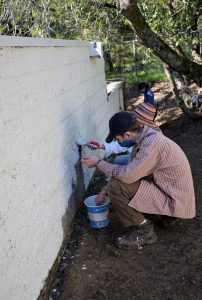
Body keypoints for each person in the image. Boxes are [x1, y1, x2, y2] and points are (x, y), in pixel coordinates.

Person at [81, 111, 195, 250]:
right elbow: (132, 168)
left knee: (116, 187)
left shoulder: (151, 145)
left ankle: (145, 232)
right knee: (120, 170)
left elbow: (128, 176)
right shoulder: (146, 136)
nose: (118, 142)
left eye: (118, 139)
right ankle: (161, 217)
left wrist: (99, 163)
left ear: (128, 134)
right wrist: (103, 190)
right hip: (170, 191)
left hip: (175, 201)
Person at [87, 103, 158, 165]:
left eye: (136, 120)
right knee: (118, 160)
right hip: (139, 159)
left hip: (149, 168)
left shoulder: (151, 142)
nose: (133, 121)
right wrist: (102, 145)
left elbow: (130, 173)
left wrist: (99, 163)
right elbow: (121, 145)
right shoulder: (137, 133)